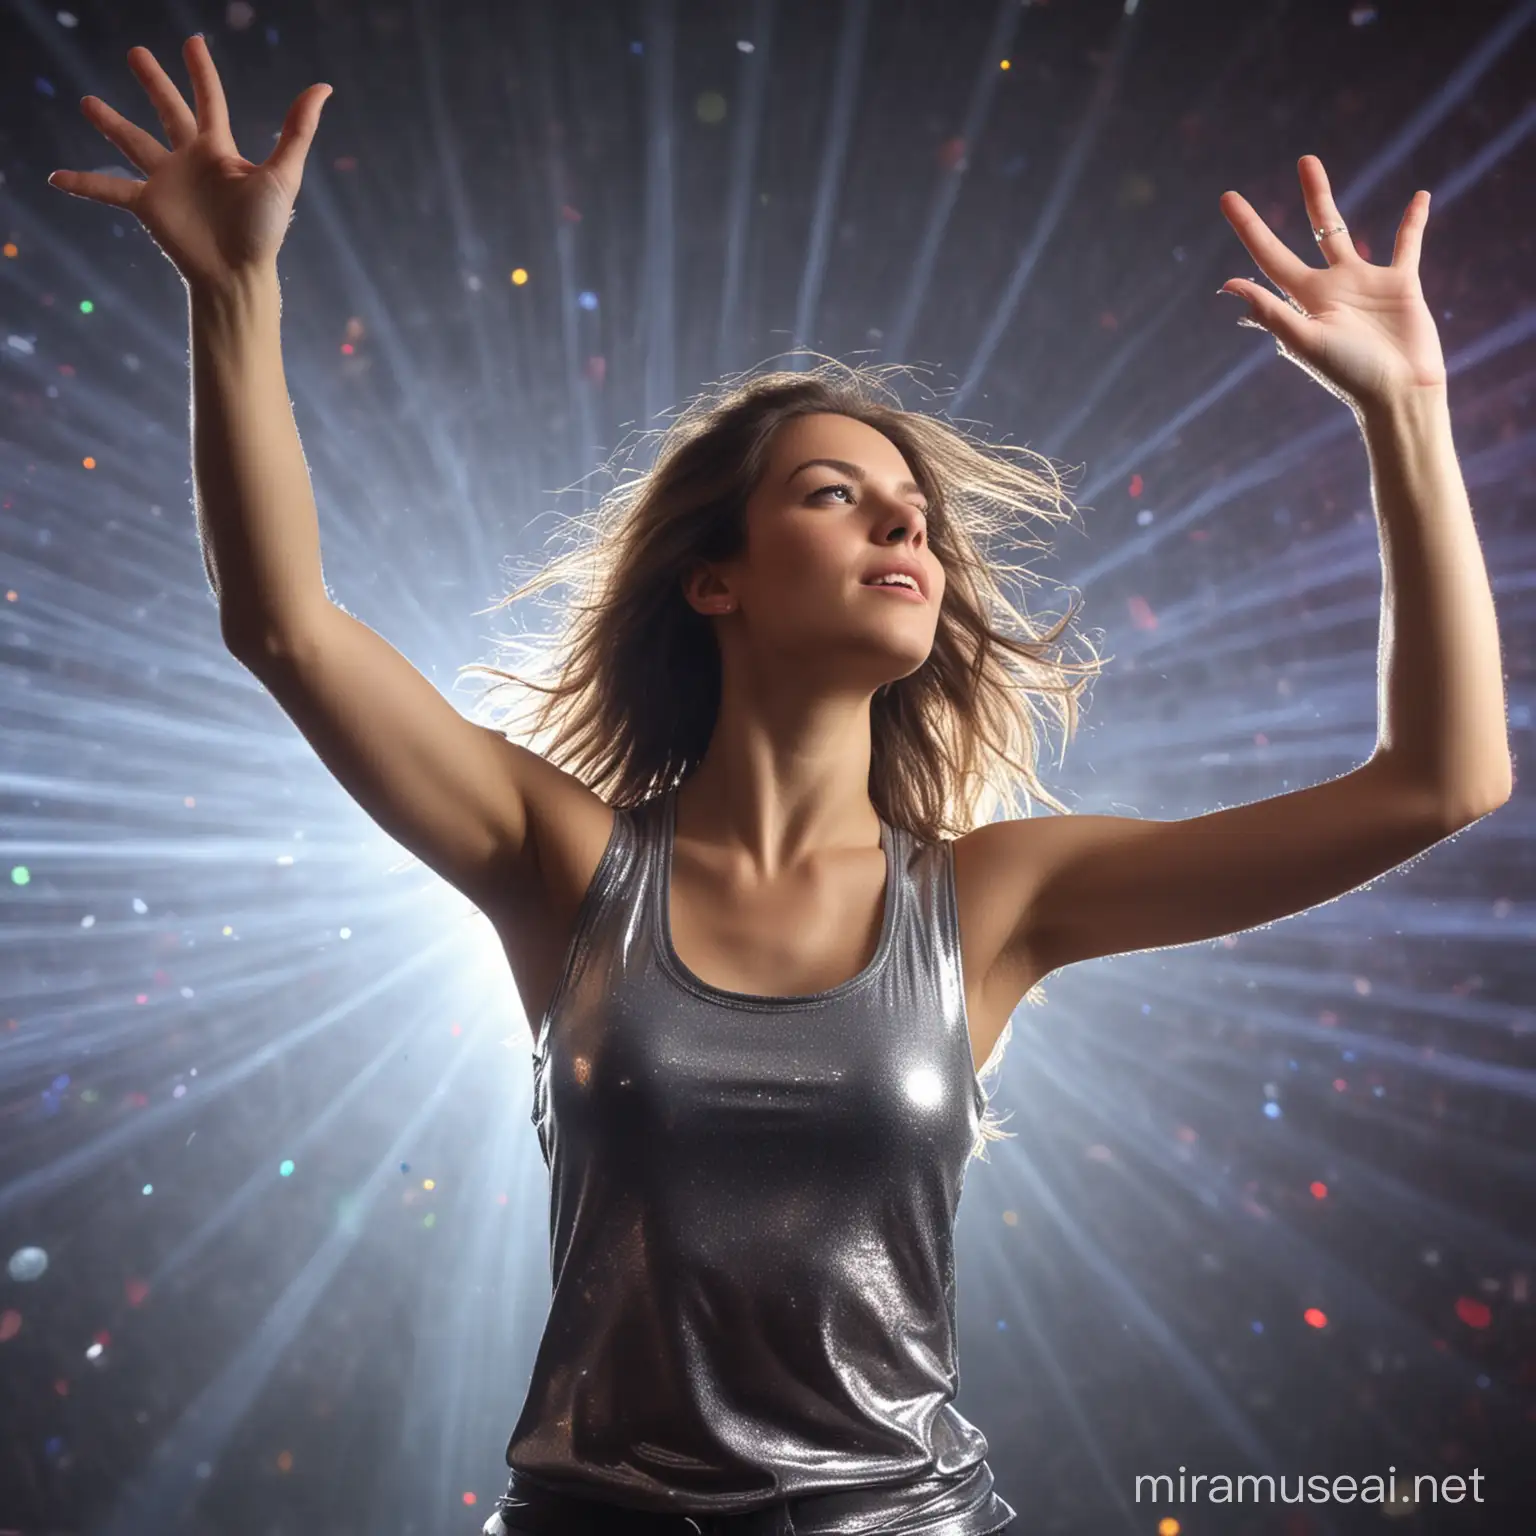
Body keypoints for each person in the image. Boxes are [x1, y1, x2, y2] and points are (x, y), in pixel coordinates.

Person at [50, 35, 1511, 1536]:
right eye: (835, 495)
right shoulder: (562, 860)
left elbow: (1440, 782)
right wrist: (235, 292)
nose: (906, 527)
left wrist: (1405, 412)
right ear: (715, 583)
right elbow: (284, 622)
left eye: (917, 515)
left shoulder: (999, 898)